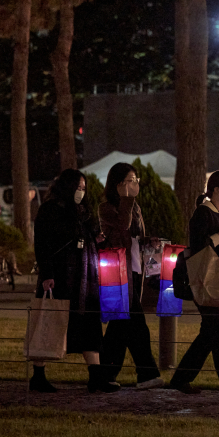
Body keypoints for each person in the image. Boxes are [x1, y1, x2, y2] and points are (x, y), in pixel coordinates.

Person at [169, 171, 219, 398]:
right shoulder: (203, 213)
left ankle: (180, 378)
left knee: (208, 334)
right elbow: (198, 247)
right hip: (205, 280)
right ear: (216, 189)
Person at [33, 169, 113, 393]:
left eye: (84, 189)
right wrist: (47, 274)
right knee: (51, 323)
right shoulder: (51, 210)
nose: (81, 192)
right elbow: (43, 244)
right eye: (78, 187)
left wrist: (95, 240)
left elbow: (87, 238)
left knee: (89, 325)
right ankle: (38, 375)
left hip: (84, 280)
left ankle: (96, 376)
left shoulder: (83, 212)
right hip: (61, 278)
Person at [96, 163, 163, 390]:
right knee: (137, 324)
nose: (135, 184)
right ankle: (147, 374)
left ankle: (103, 375)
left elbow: (134, 236)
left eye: (136, 180)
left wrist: (148, 241)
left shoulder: (135, 207)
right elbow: (120, 231)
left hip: (134, 269)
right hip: (118, 272)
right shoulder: (107, 208)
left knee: (120, 325)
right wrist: (126, 199)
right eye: (130, 180)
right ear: (118, 184)